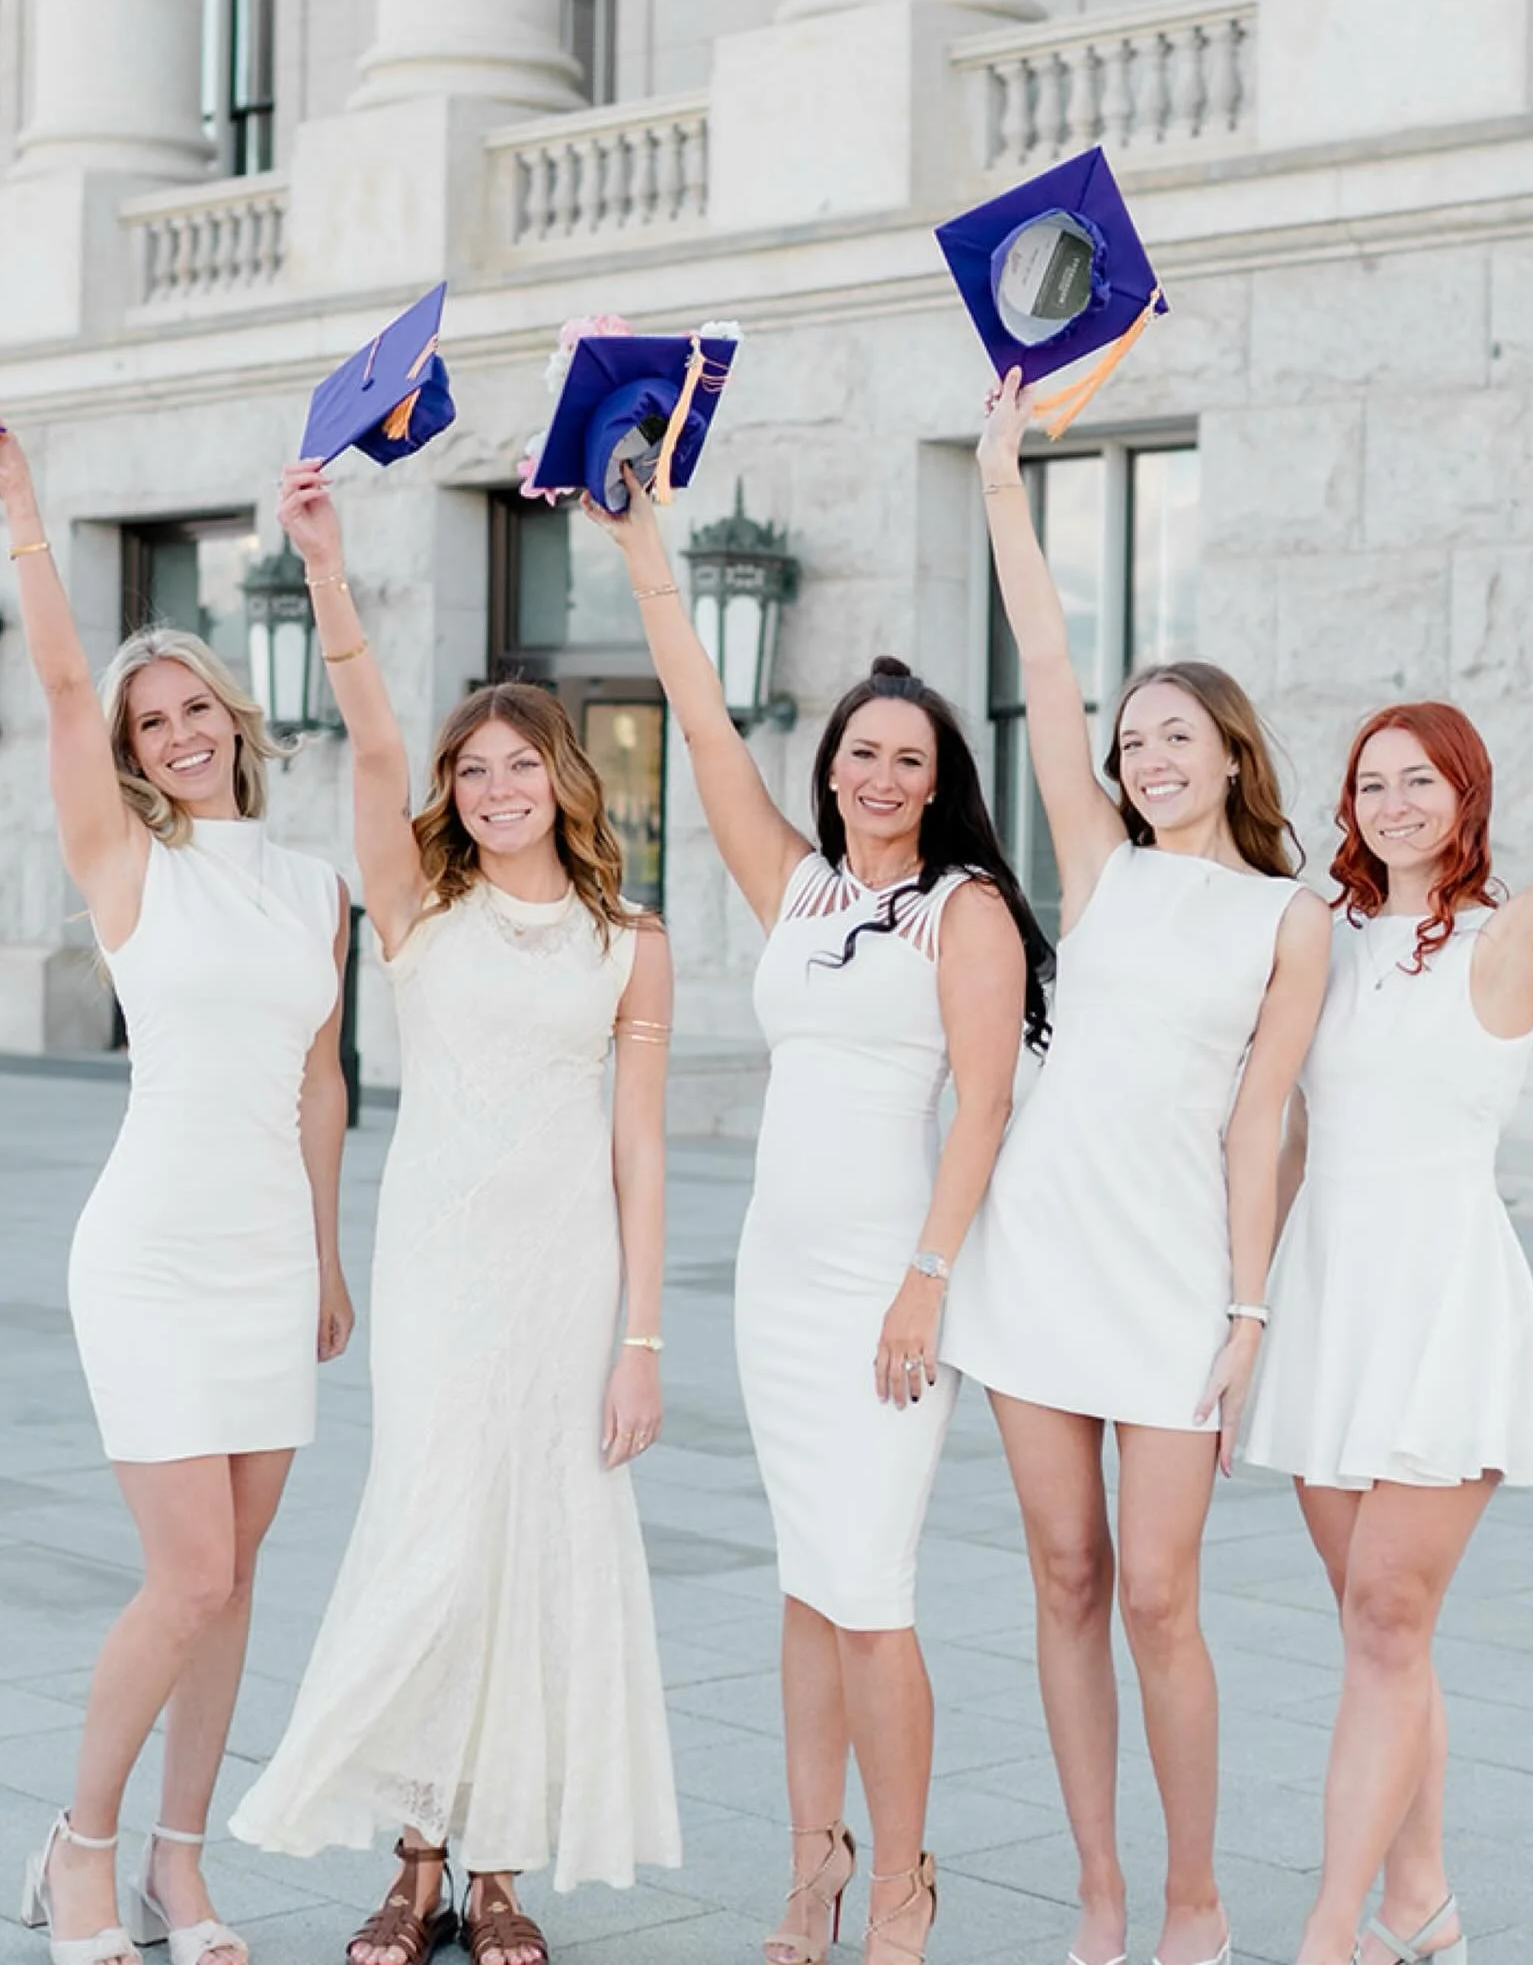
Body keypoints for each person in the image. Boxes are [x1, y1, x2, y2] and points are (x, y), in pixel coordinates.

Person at [583, 463, 1052, 1965]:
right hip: (775, 1285)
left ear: (940, 779)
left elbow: (978, 1107)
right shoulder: (793, 889)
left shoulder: (962, 910)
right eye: (861, 752)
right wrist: (642, 546)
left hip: (884, 1283)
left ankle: (904, 1882)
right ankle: (811, 1870)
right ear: (835, 765)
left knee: (870, 1590)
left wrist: (927, 1281)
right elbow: (705, 722)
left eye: (909, 758)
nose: (880, 775)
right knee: (806, 1580)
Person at [230, 461, 680, 1965]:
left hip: (569, 1282)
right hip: (436, 1266)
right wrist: (327, 571)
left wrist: (641, 1341)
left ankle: (496, 1869)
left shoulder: (633, 943)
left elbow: (640, 1151)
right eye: (470, 772)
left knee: (536, 1552)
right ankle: (414, 1861)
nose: (493, 792)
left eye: (517, 768)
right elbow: (366, 741)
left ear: (565, 777)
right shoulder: (419, 913)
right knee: (434, 1535)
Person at [940, 369, 1333, 1965]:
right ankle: (1098, 1893)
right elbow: (1038, 659)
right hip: (1035, 1252)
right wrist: (998, 485)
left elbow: (1267, 1124)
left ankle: (1193, 1893)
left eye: (1177, 736)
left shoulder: (1287, 918)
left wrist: (1248, 1312)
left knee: (1159, 1594)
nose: (1147, 754)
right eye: (1132, 738)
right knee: (1063, 1571)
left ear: (1232, 756)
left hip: (1176, 1273)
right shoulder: (1093, 869)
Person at [0, 426, 352, 1965]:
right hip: (149, 1254)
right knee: (187, 1571)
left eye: (193, 704)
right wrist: (24, 527)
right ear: (134, 753)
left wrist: (332, 1260)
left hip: (273, 1260)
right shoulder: (126, 865)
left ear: (232, 712)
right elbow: (65, 692)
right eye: (151, 722)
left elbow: (324, 1085)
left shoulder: (310, 883)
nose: (175, 732)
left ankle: (179, 1870)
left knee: (237, 1583)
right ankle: (78, 1847)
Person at [1242, 701, 1533, 1965]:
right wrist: (1245, 1308)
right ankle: (1423, 1903)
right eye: (1371, 781)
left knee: (1389, 1620)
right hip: (1327, 1302)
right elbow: (1287, 1132)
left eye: (1421, 780)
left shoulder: (1507, 942)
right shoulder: (1323, 940)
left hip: (1444, 1304)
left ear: (1466, 795)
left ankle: (1328, 1928)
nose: (1394, 801)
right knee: (1378, 1633)